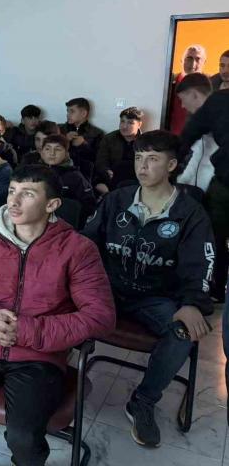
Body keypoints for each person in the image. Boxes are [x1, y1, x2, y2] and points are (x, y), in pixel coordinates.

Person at [0, 165, 115, 466]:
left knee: (23, 438)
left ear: (52, 205)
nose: (13, 201)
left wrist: (27, 330)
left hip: (40, 356)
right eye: (12, 191)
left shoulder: (77, 249)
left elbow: (101, 316)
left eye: (27, 194)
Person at [83, 130, 214, 448]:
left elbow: (201, 263)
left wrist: (193, 302)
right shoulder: (117, 199)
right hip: (108, 288)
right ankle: (51, 380)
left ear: (171, 165)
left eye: (152, 159)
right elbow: (85, 242)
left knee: (184, 331)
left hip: (156, 297)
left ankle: (143, 401)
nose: (142, 166)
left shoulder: (190, 213)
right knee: (52, 299)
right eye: (139, 158)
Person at [177, 74, 228, 303]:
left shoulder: (213, 105)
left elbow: (185, 140)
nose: (182, 106)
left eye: (183, 99)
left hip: (222, 181)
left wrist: (169, 172)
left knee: (213, 235)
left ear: (194, 94)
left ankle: (213, 288)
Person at [39, 134, 96, 220]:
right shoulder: (33, 173)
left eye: (57, 149)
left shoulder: (75, 177)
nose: (52, 153)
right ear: (41, 153)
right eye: (47, 149)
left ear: (66, 153)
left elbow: (89, 205)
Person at [94, 106, 144, 195]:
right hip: (113, 176)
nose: (124, 126)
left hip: (136, 178)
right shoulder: (109, 139)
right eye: (122, 121)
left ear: (139, 124)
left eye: (130, 123)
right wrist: (106, 170)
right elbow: (101, 160)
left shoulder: (145, 141)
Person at [167, 44, 207, 134]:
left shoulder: (212, 85)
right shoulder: (169, 82)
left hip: (198, 139)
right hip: (171, 137)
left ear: (204, 62)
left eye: (198, 59)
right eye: (189, 58)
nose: (193, 64)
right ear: (181, 60)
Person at [60, 97, 104, 166]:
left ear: (83, 113)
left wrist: (84, 145)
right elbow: (50, 152)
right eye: (67, 111)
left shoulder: (97, 133)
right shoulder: (59, 129)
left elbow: (99, 160)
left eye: (72, 111)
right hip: (62, 169)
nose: (68, 114)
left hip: (85, 171)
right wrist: (65, 140)